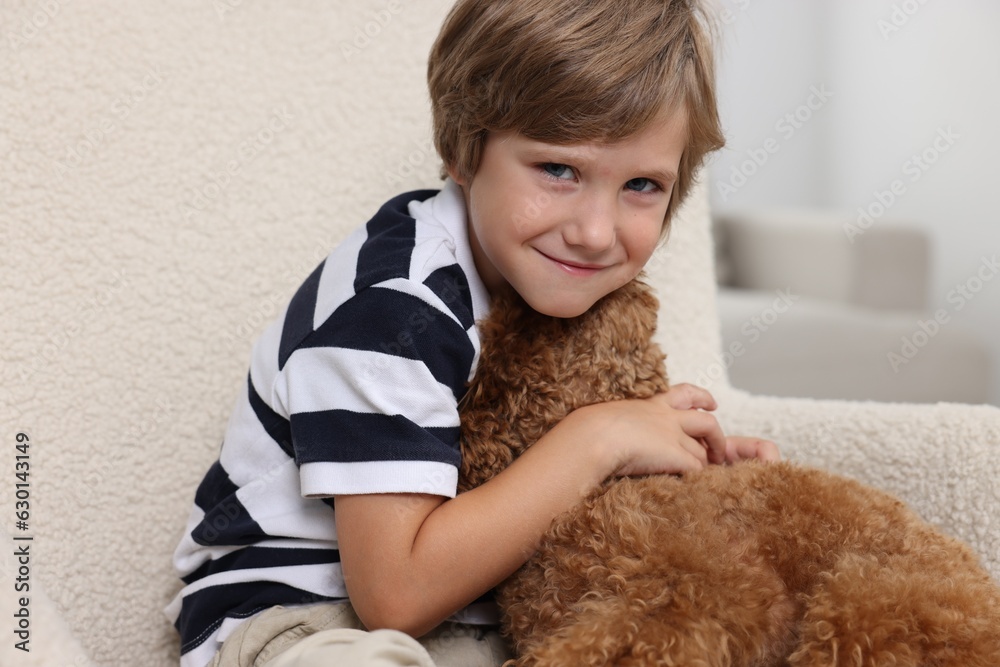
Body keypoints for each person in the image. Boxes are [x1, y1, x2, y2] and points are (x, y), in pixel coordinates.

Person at [166, 1, 781, 665]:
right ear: (464, 147)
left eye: (641, 185)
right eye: (558, 170)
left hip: (471, 617)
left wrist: (682, 469)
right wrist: (600, 439)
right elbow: (394, 594)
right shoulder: (396, 311)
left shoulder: (561, 288)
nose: (596, 231)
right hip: (299, 617)